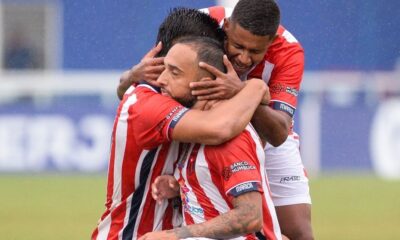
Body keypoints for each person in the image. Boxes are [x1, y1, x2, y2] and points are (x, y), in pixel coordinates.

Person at [118, 1, 314, 239]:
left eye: (255, 52)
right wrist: (131, 76)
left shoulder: (289, 51)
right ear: (227, 27)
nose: (243, 58)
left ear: (271, 42)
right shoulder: (200, 25)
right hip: (203, 118)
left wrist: (242, 90)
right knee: (189, 205)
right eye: (238, 46)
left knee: (298, 232)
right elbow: (135, 88)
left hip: (261, 127)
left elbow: (279, 133)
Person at [91, 8, 269, 240]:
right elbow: (219, 128)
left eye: (175, 71)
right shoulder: (146, 103)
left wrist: (179, 184)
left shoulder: (189, 103)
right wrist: (256, 88)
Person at [139, 36, 282, 240]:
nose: (161, 79)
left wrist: (175, 235)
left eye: (174, 72)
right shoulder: (200, 126)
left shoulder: (231, 138)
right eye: (164, 69)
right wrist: (182, 185)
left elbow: (250, 217)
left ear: (202, 85)